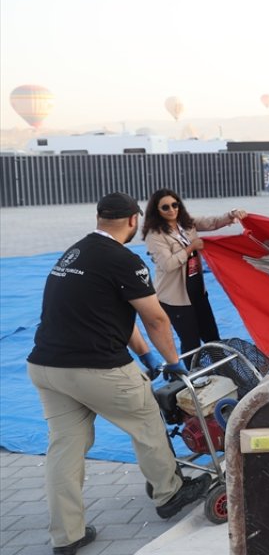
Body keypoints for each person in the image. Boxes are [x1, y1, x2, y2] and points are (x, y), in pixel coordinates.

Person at [27, 192, 213, 554]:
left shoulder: (74, 253)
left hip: (45, 366)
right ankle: (169, 492)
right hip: (94, 365)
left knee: (65, 448)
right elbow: (155, 317)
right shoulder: (125, 260)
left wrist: (145, 355)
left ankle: (67, 536)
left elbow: (113, 311)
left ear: (98, 218)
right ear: (133, 221)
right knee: (146, 419)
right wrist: (173, 363)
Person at [141, 189, 246, 362]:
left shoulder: (186, 223)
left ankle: (223, 372)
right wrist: (191, 247)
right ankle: (193, 379)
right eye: (165, 207)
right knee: (191, 343)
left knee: (212, 337)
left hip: (197, 291)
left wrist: (232, 214)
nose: (172, 210)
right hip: (176, 299)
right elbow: (168, 265)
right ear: (156, 211)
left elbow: (212, 222)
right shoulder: (154, 235)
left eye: (175, 205)